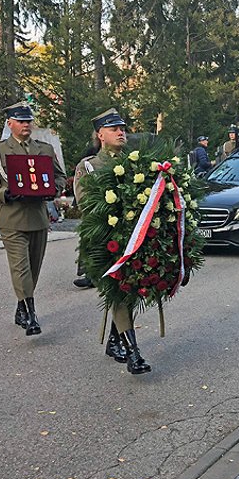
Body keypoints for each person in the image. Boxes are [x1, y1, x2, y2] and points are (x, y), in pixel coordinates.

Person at [0, 102, 66, 337]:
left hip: (37, 216)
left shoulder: (44, 149)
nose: (26, 124)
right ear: (10, 123)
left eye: (28, 121)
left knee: (34, 267)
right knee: (21, 267)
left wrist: (53, 190)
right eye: (21, 121)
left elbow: (60, 176)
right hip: (11, 216)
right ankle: (30, 314)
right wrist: (2, 193)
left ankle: (20, 307)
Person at [72, 108, 152, 373]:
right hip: (106, 241)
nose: (121, 132)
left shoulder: (136, 164)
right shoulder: (89, 166)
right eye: (114, 129)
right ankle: (133, 353)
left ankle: (114, 341)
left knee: (130, 293)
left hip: (134, 239)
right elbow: (86, 205)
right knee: (120, 292)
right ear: (100, 135)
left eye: (123, 128)